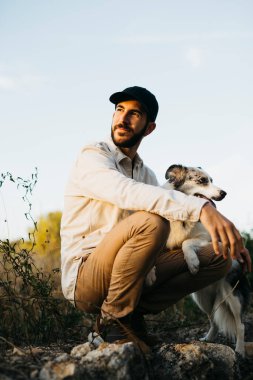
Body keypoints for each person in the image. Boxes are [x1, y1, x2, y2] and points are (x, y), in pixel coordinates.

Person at [60, 86, 251, 349]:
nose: (123, 118)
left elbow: (171, 201)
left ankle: (132, 315)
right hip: (88, 276)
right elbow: (126, 192)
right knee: (152, 221)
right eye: (119, 110)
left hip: (134, 275)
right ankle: (113, 320)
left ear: (149, 128)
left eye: (134, 113)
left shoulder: (146, 175)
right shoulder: (93, 155)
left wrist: (227, 236)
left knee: (220, 258)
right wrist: (203, 209)